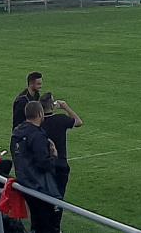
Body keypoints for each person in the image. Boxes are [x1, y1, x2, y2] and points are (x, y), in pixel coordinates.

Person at [11, 101, 61, 233]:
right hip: (38, 185)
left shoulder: (17, 132)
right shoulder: (37, 135)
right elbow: (43, 163)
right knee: (46, 224)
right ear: (40, 113)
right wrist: (54, 156)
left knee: (36, 222)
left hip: (24, 182)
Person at [39, 93, 83, 231]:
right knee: (58, 199)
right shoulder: (60, 119)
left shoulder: (38, 122)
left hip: (44, 165)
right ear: (53, 105)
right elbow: (78, 121)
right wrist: (65, 107)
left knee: (44, 197)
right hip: (60, 166)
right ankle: (55, 227)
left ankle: (44, 226)